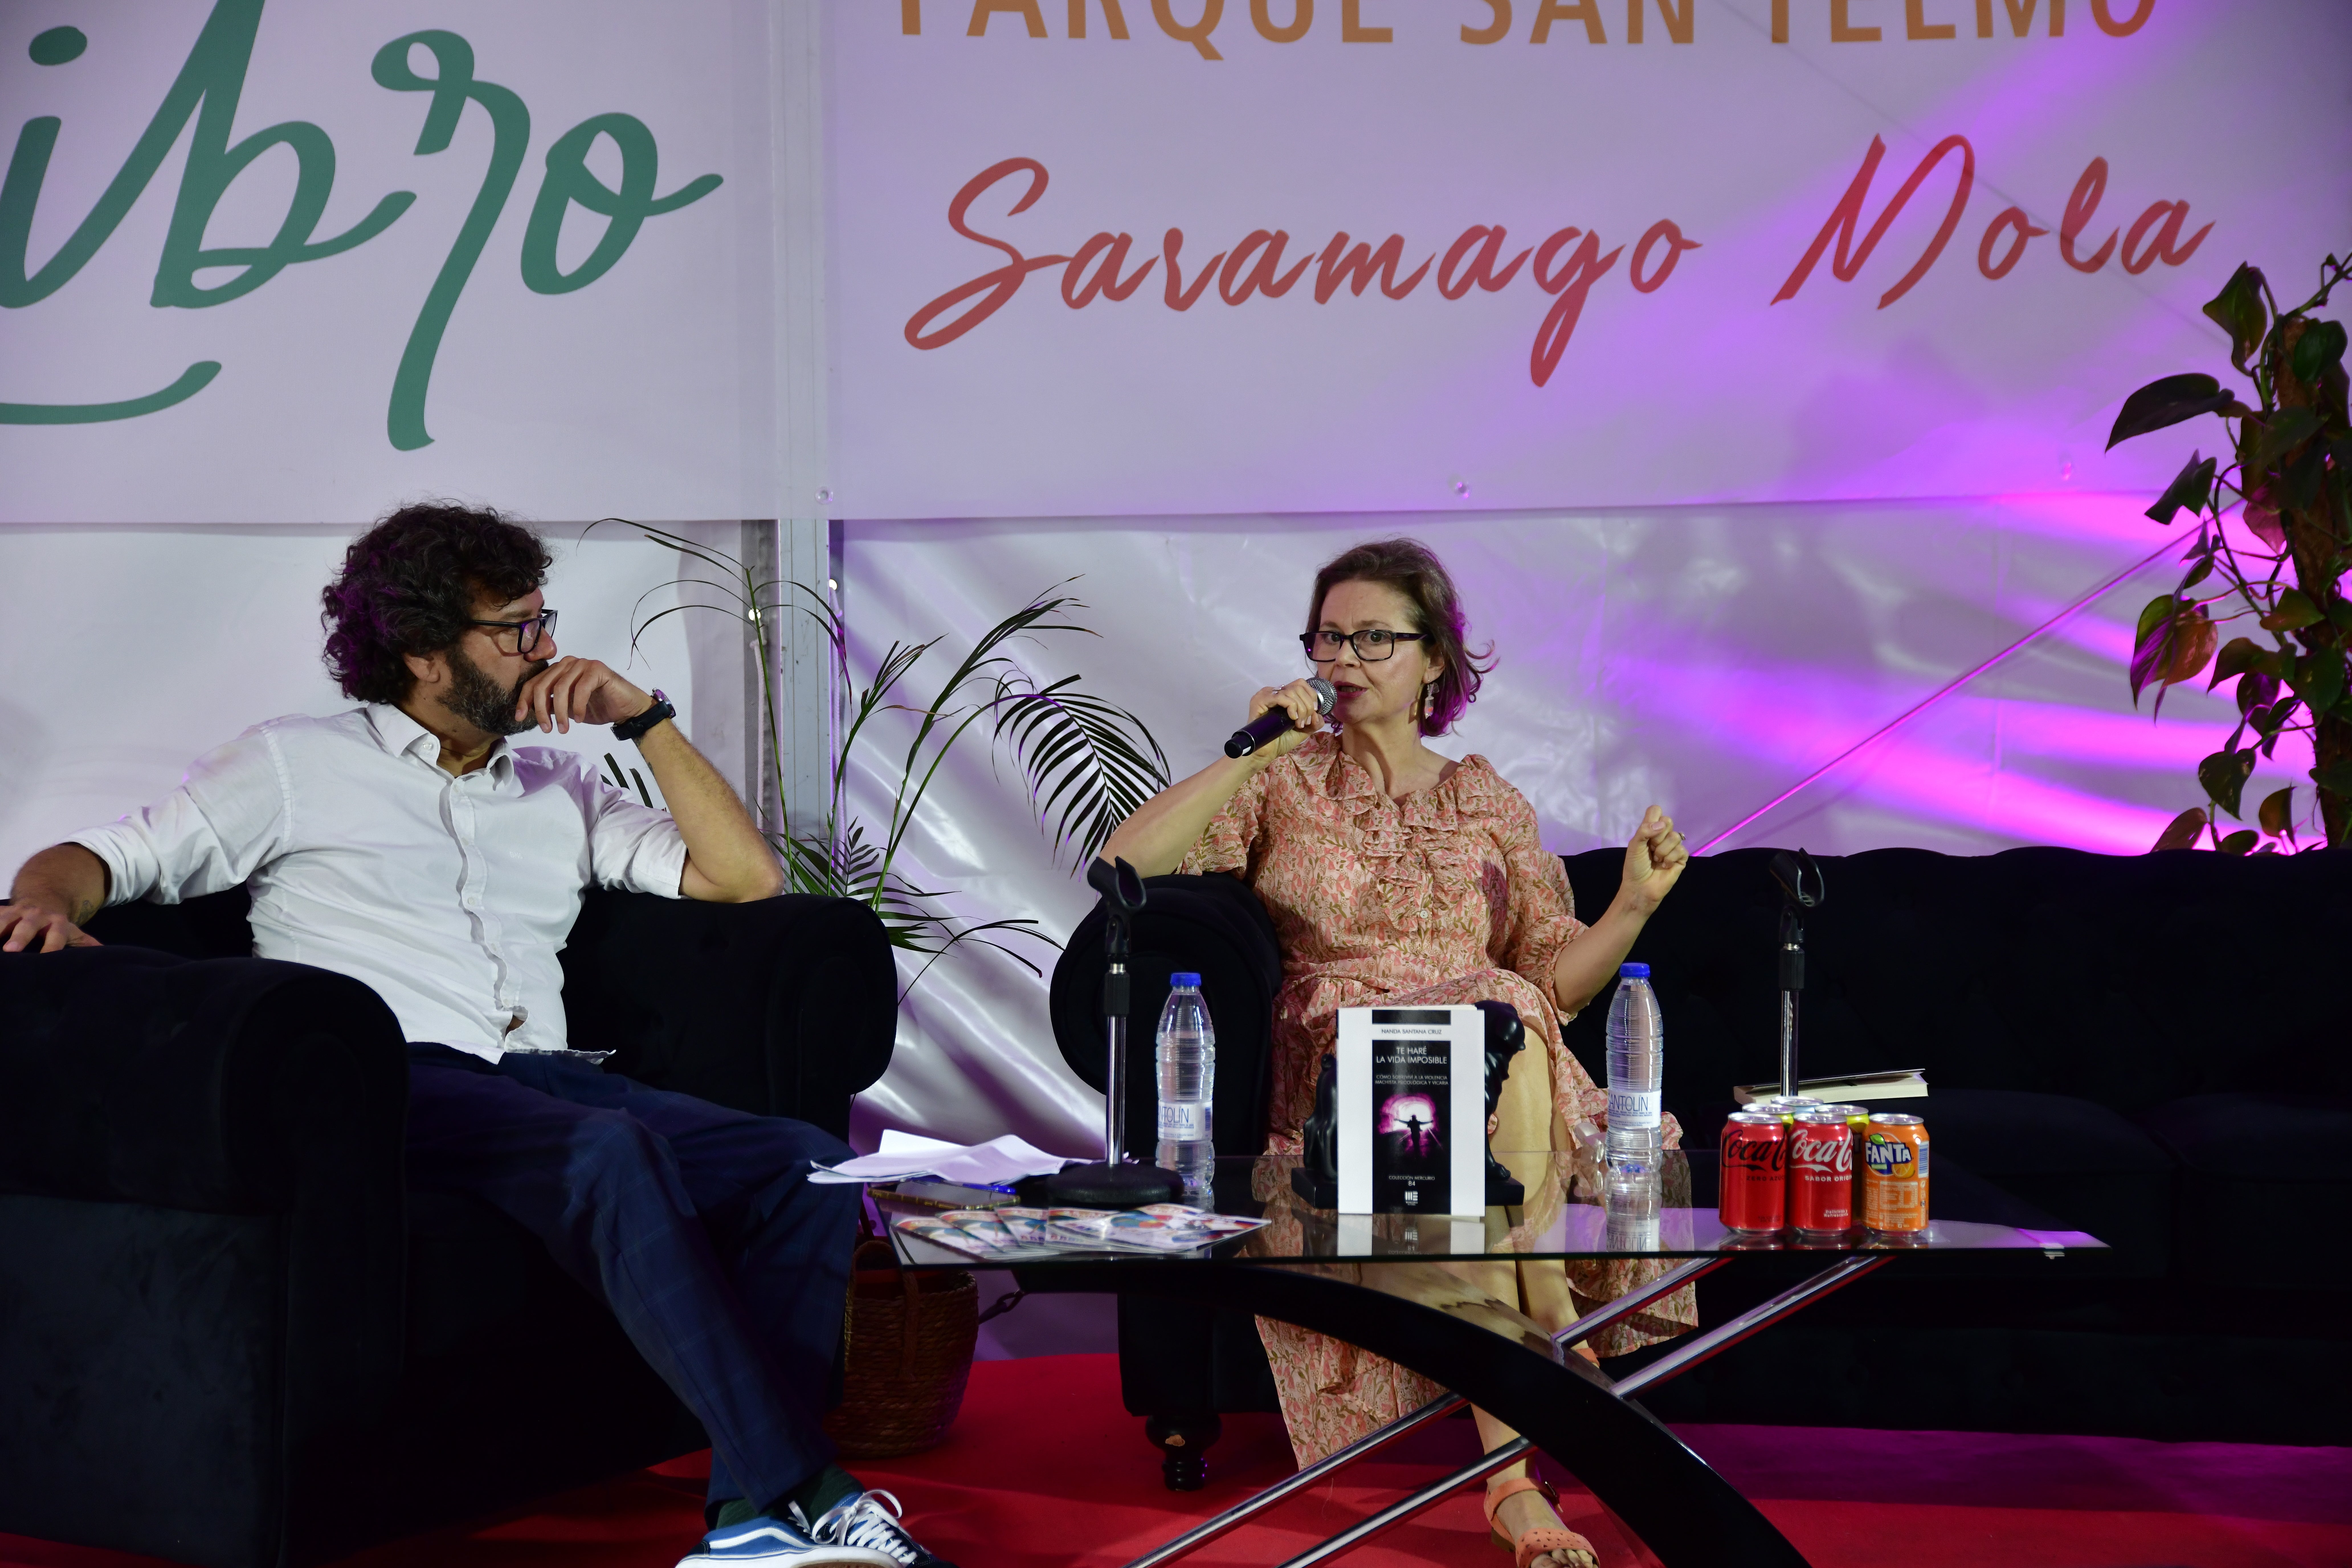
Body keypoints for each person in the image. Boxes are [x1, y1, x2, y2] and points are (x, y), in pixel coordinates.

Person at [0, 503, 950, 1568]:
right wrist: (42, 902)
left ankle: (748, 1513)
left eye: (544, 621)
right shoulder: (291, 767)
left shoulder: (559, 785)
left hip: (542, 1082)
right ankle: (804, 1486)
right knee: (609, 1155)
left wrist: (644, 719)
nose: (545, 651)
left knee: (808, 1164)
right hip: (390, 1087)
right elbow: (105, 861)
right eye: (515, 629)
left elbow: (745, 880)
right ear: (419, 649)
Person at [1099, 538, 1693, 1568]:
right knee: (1461, 1033)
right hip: (1345, 1057)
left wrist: (1635, 905)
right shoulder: (1284, 784)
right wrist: (1256, 751)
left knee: (1494, 1015)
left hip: (1481, 1078)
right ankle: (1553, 1322)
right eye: (1329, 636)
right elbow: (1123, 865)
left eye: (1374, 636)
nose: (1344, 657)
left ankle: (1512, 1482)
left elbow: (1553, 982)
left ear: (1435, 662)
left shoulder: (1488, 800)